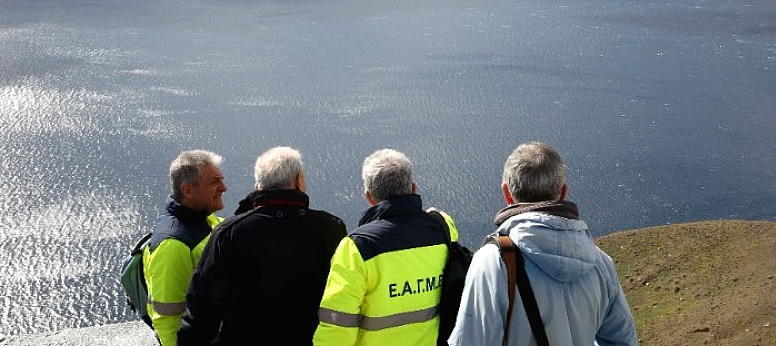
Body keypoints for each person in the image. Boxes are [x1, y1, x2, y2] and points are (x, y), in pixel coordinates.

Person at [447, 142, 638, 346]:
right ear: (563, 192)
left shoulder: (494, 262)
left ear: (507, 194)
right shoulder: (600, 263)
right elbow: (623, 340)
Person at [177, 146, 347, 346]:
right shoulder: (331, 228)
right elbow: (344, 297)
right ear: (299, 181)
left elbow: (202, 311)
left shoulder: (229, 233)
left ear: (258, 185)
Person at [313, 148, 459, 346]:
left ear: (369, 197)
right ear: (413, 188)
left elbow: (338, 325)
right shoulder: (443, 228)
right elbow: (443, 222)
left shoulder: (357, 247)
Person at [143, 149, 228, 346]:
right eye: (214, 182)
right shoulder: (172, 244)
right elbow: (167, 314)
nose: (223, 187)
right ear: (188, 191)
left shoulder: (203, 218)